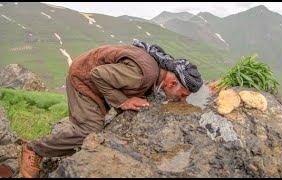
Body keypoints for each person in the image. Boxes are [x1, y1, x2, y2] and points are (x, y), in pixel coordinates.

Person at [18, 39, 203, 178]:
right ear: (171, 83)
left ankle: (64, 146)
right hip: (83, 79)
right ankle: (34, 149)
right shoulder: (143, 75)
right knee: (89, 130)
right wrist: (123, 102)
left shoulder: (156, 73)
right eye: (183, 95)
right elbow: (97, 74)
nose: (182, 101)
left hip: (97, 80)